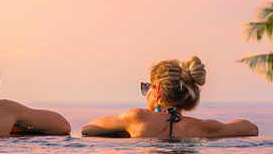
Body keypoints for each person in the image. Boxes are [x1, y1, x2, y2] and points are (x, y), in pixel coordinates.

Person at [81, 56, 258, 138]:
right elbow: (251, 128)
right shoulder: (204, 128)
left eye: (147, 88)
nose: (146, 93)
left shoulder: (136, 119)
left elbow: (88, 128)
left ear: (157, 91)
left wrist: (123, 130)